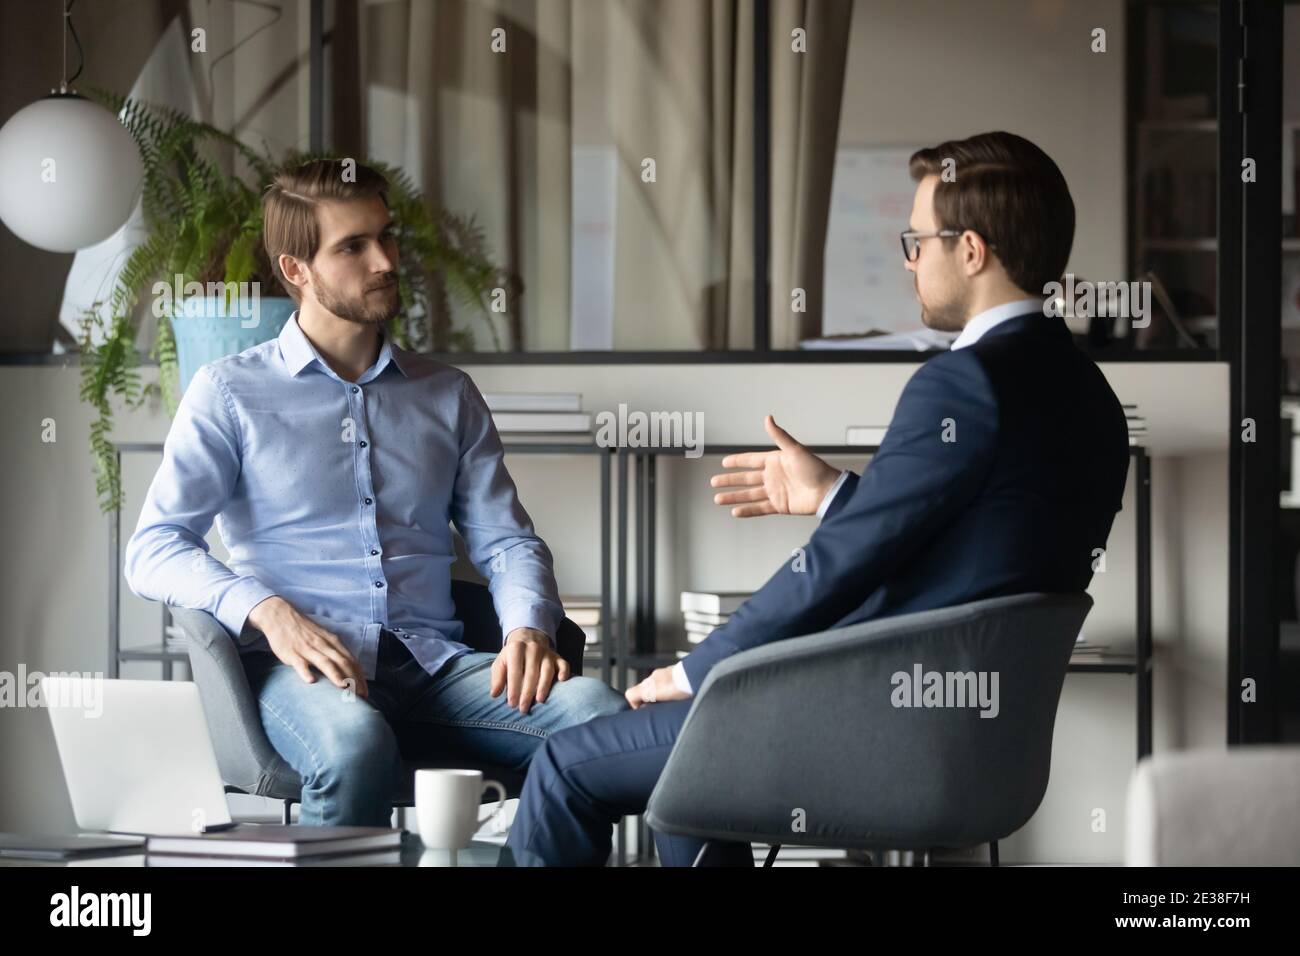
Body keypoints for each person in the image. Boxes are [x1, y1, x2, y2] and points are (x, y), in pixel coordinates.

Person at [505, 131, 1131, 866]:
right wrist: (835, 494)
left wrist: (696, 671)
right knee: (691, 796)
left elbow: (838, 569)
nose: (908, 260)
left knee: (563, 768)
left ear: (971, 250)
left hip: (876, 730)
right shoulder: (1091, 395)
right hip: (977, 748)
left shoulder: (963, 384)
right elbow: (972, 554)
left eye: (917, 240)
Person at [125, 159, 627, 827]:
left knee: (600, 717)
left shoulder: (446, 394)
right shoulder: (229, 393)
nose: (385, 260)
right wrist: (267, 610)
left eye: (387, 237)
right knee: (356, 744)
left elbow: (505, 539)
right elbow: (153, 549)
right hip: (300, 674)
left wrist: (528, 628)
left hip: (436, 667)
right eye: (353, 247)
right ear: (296, 270)